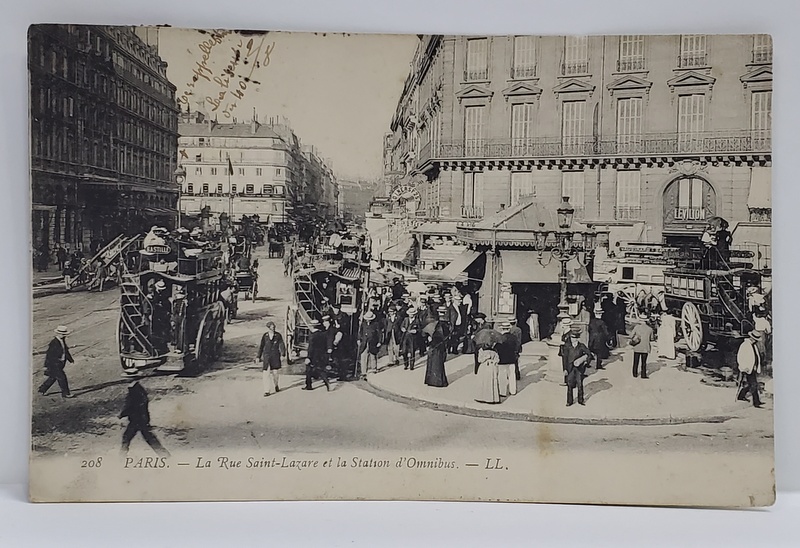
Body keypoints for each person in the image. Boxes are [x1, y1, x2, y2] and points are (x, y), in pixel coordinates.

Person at [119, 381, 170, 456]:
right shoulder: (139, 389)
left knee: (127, 438)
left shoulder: (133, 391)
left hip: (136, 420)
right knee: (150, 439)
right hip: (142, 419)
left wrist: (122, 414)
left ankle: (121, 457)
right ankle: (165, 455)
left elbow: (130, 406)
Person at [38, 325, 74, 398]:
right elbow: (49, 355)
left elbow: (65, 351)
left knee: (53, 377)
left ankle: (42, 389)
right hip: (54, 363)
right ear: (57, 334)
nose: (63, 336)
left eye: (64, 334)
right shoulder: (53, 343)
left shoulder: (62, 340)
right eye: (62, 334)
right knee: (62, 377)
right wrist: (46, 365)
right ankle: (66, 393)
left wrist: (70, 359)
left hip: (61, 362)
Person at [562, 324, 593, 406]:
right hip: (570, 368)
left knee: (580, 385)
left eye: (575, 338)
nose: (573, 340)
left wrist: (585, 362)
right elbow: (564, 358)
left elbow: (589, 355)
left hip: (579, 369)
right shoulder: (567, 347)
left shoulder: (581, 346)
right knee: (569, 385)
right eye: (572, 338)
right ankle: (569, 401)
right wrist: (565, 369)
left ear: (578, 338)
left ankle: (580, 400)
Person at [256, 321, 286, 397]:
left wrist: (283, 354)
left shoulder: (278, 335)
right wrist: (258, 357)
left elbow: (282, 344)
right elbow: (261, 346)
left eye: (274, 327)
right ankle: (267, 390)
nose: (273, 329)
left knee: (275, 373)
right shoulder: (265, 336)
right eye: (272, 328)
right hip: (267, 357)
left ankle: (276, 385)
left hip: (275, 356)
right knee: (266, 374)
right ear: (268, 328)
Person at [737, 330, 764, 408]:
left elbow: (755, 356)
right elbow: (740, 357)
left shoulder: (753, 345)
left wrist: (756, 366)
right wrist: (743, 367)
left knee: (751, 384)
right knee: (754, 384)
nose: (756, 341)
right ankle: (756, 402)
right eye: (755, 339)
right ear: (752, 338)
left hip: (752, 368)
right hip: (747, 368)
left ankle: (741, 395)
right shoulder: (745, 345)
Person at [424, 308, 450, 388]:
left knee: (435, 362)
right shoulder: (445, 324)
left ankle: (434, 381)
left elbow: (438, 335)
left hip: (436, 345)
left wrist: (430, 339)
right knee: (437, 362)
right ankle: (436, 380)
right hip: (440, 345)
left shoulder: (438, 324)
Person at [304, 319, 331, 391]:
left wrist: (308, 357)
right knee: (321, 369)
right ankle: (326, 381)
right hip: (321, 355)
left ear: (312, 327)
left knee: (308, 369)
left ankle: (309, 385)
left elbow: (311, 347)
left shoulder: (312, 336)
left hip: (313, 355)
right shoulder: (323, 334)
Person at [629, 314, 655, 379]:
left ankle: (634, 373)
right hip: (645, 347)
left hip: (637, 346)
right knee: (644, 362)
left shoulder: (636, 327)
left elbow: (631, 336)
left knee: (636, 361)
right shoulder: (650, 329)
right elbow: (652, 339)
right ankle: (643, 375)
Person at [496, 321, 518, 397]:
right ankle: (513, 390)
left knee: (502, 376)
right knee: (512, 375)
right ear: (509, 329)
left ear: (502, 329)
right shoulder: (514, 337)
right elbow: (517, 347)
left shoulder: (500, 338)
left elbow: (498, 349)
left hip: (502, 359)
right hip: (512, 358)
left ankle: (503, 391)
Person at [358, 311, 381, 378]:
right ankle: (363, 371)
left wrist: (379, 342)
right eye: (367, 318)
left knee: (373, 355)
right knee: (363, 356)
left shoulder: (376, 324)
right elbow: (360, 332)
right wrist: (359, 339)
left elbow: (379, 333)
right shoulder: (363, 324)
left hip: (373, 342)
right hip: (364, 342)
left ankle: (374, 368)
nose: (368, 320)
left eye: (369, 319)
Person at [400, 306, 420, 370]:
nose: (411, 315)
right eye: (410, 314)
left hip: (413, 337)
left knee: (412, 351)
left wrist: (416, 331)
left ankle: (412, 365)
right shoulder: (406, 319)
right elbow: (402, 326)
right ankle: (406, 364)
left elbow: (420, 329)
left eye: (412, 314)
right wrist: (402, 328)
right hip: (405, 336)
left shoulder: (417, 320)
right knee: (404, 351)